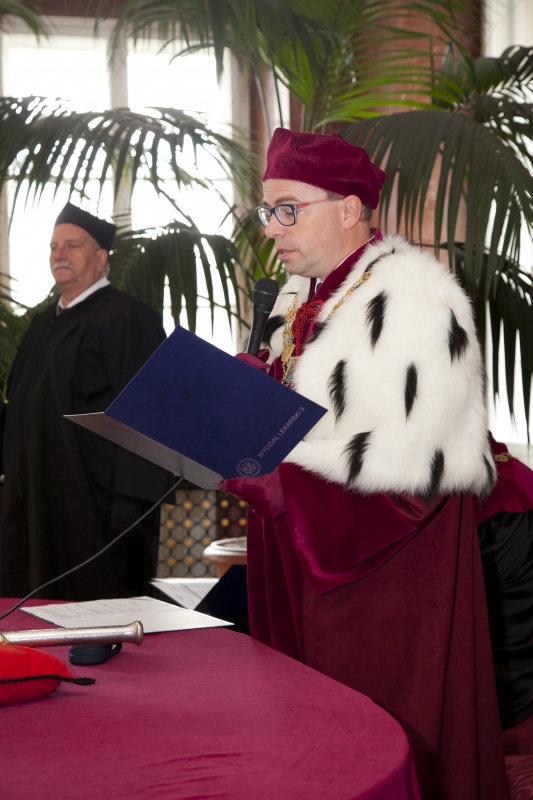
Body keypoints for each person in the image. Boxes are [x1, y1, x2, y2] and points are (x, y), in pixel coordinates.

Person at [221, 129, 510, 800]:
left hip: (383, 579)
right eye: (267, 210)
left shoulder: (411, 299)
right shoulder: (311, 294)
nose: (271, 228)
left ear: (349, 209)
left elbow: (411, 481)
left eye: (288, 209)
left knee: (367, 742)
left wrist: (281, 477)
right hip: (307, 555)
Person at [0, 203, 172, 601]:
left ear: (100, 258)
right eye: (53, 246)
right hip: (34, 504)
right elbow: (24, 410)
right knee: (31, 607)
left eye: (72, 245)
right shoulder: (41, 324)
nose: (59, 254)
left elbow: (150, 415)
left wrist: (129, 506)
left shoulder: (128, 318)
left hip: (97, 510)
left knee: (96, 615)